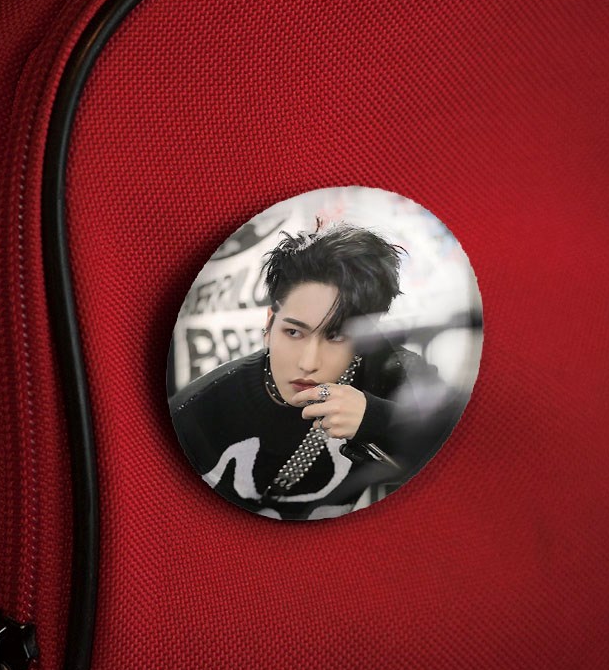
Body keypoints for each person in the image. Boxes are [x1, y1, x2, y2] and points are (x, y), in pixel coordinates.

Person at [169, 222, 458, 520]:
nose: (308, 363)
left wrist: (377, 418)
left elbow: (468, 464)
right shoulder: (197, 409)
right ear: (269, 324)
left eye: (336, 336)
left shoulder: (396, 373)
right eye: (294, 332)